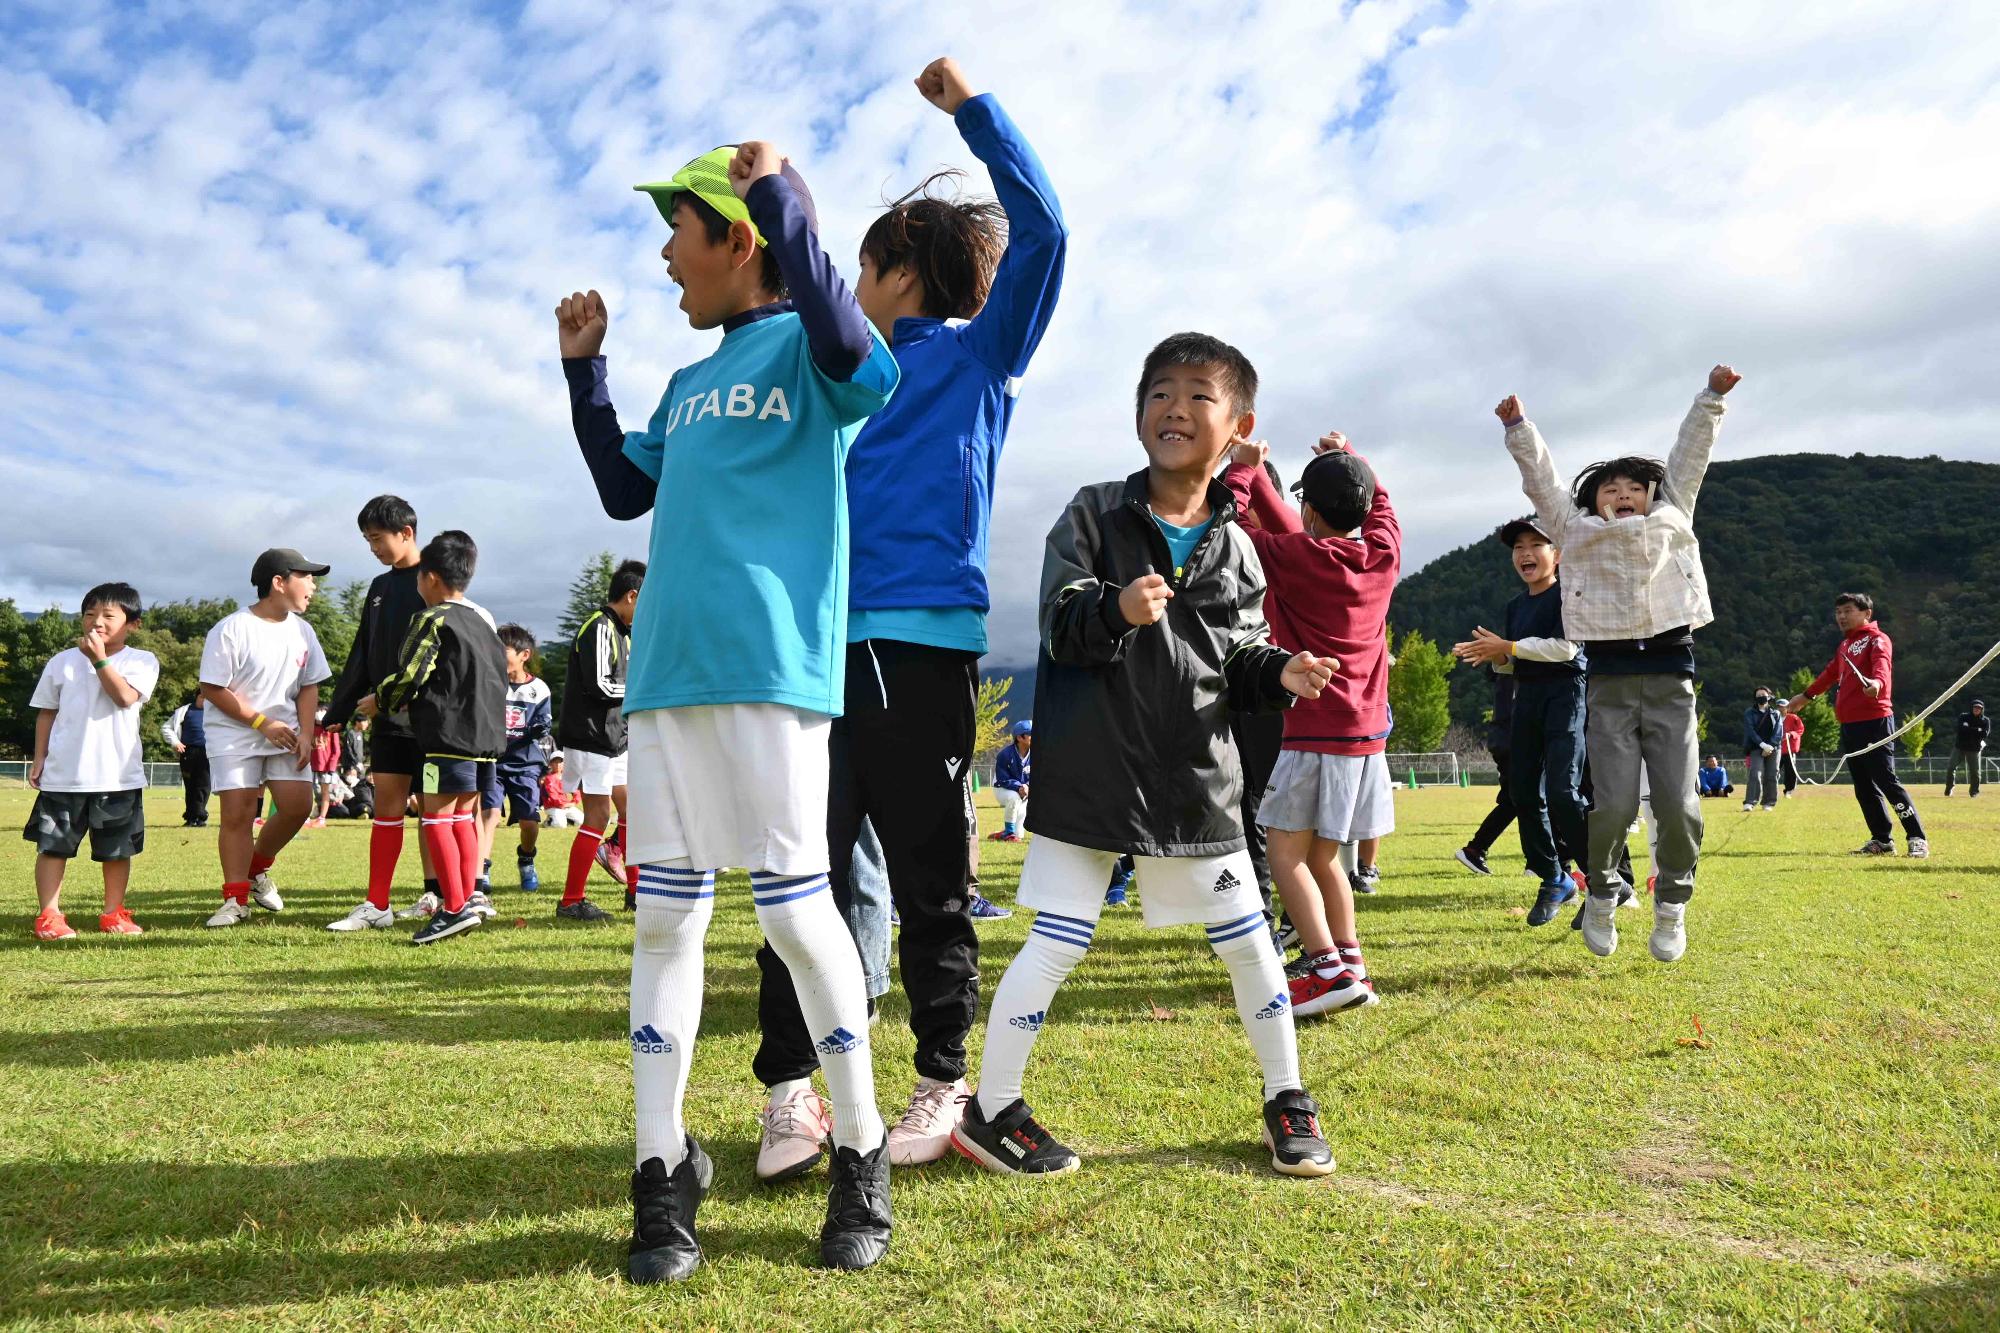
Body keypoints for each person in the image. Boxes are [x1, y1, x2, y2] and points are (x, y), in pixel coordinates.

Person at [557, 136, 900, 1278]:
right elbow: (622, 488)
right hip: (663, 682)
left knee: (797, 915)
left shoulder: (818, 355)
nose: (664, 258)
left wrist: (782, 197)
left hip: (771, 674)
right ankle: (661, 1169)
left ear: (737, 240)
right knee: (665, 919)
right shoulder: (687, 383)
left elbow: (857, 348)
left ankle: (858, 1152)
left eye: (679, 233)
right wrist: (584, 373)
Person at [745, 57, 1067, 1177]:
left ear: (896, 272)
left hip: (921, 654)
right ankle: (793, 1093)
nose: (846, 288)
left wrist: (973, 111)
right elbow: (789, 297)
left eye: (862, 268)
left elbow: (1047, 233)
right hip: (808, 659)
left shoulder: (980, 358)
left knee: (931, 883)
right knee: (799, 883)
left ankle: (941, 1079)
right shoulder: (837, 375)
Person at [953, 331, 1337, 1180]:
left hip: (1198, 777)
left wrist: (1284, 670)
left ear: (1237, 425)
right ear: (1138, 416)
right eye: (1160, 391)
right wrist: (1115, 607)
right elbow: (1056, 619)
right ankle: (991, 1110)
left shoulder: (1238, 546)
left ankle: (1288, 1097)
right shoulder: (1092, 512)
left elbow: (1236, 656)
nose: (1176, 406)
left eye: (1200, 393)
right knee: (1056, 940)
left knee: (1247, 943)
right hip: (1094, 772)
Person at [1498, 364, 1741, 964]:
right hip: (1606, 684)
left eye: (1634, 486)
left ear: (1653, 495)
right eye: (1611, 488)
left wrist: (1711, 398)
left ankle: (1672, 904)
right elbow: (1542, 483)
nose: (1624, 494)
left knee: (1679, 803)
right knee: (1609, 804)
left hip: (1669, 681)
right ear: (1592, 500)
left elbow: (1690, 455)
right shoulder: (1573, 530)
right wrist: (1518, 428)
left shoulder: (1673, 513)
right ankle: (1603, 892)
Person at [1224, 426, 1397, 1011]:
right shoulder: (1383, 554)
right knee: (1324, 857)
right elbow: (1380, 505)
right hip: (1366, 739)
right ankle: (1351, 964)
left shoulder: (1293, 558)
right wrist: (1349, 457)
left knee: (1284, 853)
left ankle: (1325, 971)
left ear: (1310, 508)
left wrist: (1245, 466)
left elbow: (1232, 523)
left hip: (1313, 731)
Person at [359, 531, 510, 943]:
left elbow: (410, 675)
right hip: (485, 743)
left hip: (446, 739)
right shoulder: (482, 622)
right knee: (464, 816)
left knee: (436, 818)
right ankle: (469, 898)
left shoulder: (432, 619)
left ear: (429, 578)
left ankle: (455, 908)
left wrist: (380, 700)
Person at [1453, 517, 1590, 926]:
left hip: (1565, 699)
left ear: (1558, 554)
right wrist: (1498, 656)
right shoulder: (1517, 606)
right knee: (1523, 793)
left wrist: (1508, 647)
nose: (1525, 554)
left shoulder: (1570, 596)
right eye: (1518, 548)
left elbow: (1566, 650)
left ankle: (1603, 879)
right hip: (1526, 702)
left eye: (1536, 544)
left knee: (1565, 792)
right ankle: (1554, 878)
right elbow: (1516, 664)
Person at [322, 496, 440, 926]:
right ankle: (378, 905)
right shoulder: (379, 588)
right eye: (367, 540)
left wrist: (395, 695)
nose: (372, 548)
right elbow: (364, 651)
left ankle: (439, 897)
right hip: (389, 720)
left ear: (406, 533)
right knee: (388, 810)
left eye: (377, 539)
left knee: (434, 812)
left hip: (432, 722)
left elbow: (442, 655)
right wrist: (339, 707)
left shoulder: (437, 579)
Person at [200, 549, 333, 928]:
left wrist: (306, 732)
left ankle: (256, 869)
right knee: (239, 815)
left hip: (287, 733)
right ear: (278, 582)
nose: (313, 586)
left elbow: (309, 686)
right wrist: (261, 723)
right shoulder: (232, 628)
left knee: (296, 806)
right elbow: (213, 687)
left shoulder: (303, 630)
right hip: (235, 731)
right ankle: (235, 899)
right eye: (306, 577)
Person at [24, 583, 160, 939]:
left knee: (116, 850)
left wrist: (98, 660)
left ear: (133, 624)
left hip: (117, 776)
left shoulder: (141, 661)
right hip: (63, 775)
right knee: (53, 847)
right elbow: (46, 713)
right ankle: (49, 915)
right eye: (89, 614)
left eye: (108, 616)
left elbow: (125, 697)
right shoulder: (61, 662)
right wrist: (39, 758)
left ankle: (114, 913)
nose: (96, 622)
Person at [1786, 592, 1928, 857]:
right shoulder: (1844, 647)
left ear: (1866, 614)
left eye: (1848, 610)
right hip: (1850, 725)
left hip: (1876, 721)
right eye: (1838, 611)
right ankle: (1882, 840)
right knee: (1863, 787)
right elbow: (1829, 674)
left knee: (1886, 780)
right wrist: (1805, 697)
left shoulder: (1878, 639)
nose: (1841, 616)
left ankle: (1916, 837)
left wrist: (1877, 684)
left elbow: (1881, 667)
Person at [553, 562, 641, 922]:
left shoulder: (625, 632)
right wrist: (641, 694)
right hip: (591, 738)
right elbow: (600, 684)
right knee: (598, 815)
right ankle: (571, 899)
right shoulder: (600, 626)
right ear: (631, 595)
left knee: (632, 809)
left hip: (615, 738)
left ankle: (636, 893)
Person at [487, 624, 555, 890]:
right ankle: (482, 871)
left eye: (502, 650)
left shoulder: (540, 689)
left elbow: (544, 723)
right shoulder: (491, 683)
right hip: (493, 762)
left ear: (524, 655)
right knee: (489, 814)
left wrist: (539, 728)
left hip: (526, 764)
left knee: (529, 820)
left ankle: (526, 860)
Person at [1456, 672, 1517, 875]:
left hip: (1504, 738)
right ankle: (1476, 848)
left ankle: (1476, 848)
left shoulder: (1507, 674)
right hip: (1513, 739)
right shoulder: (1519, 674)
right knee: (1520, 799)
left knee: (1518, 800)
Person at [162, 692, 210, 828]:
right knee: (190, 786)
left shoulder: (214, 712)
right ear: (198, 696)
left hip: (207, 752)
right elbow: (166, 727)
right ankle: (190, 818)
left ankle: (199, 816)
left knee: (204, 785)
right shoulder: (184, 711)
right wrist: (175, 742)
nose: (207, 701)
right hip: (188, 752)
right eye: (204, 697)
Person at [1741, 687, 1782, 811]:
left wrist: (1770, 746)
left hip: (1773, 748)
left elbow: (1778, 732)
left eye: (1763, 695)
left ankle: (1768, 803)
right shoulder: (1749, 712)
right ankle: (1750, 802)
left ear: (1769, 696)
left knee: (1772, 774)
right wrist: (1762, 745)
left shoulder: (1776, 713)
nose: (1761, 697)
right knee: (1755, 773)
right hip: (1756, 747)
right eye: (1758, 695)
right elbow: (1750, 731)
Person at [991, 720, 1031, 841]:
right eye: (1030, 733)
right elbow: (1003, 779)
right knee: (1014, 797)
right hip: (1002, 788)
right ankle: (1008, 833)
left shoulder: (1037, 754)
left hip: (1024, 791)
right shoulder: (1005, 754)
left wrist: (1027, 786)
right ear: (1019, 737)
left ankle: (1003, 833)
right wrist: (1019, 787)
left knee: (1019, 835)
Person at [1944, 700, 1987, 796]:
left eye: (1979, 708)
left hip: (1974, 749)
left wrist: (1968, 729)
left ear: (1982, 709)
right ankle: (1949, 788)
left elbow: (1984, 734)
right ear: (1972, 708)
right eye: (1975, 707)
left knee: (1975, 772)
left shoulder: (1985, 720)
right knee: (1951, 767)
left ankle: (1974, 792)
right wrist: (1977, 730)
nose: (1977, 709)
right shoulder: (1963, 716)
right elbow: (1960, 730)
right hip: (1960, 747)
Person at [308, 711, 343, 826]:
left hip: (326, 767)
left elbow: (336, 750)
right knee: (308, 791)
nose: (319, 713)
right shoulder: (310, 727)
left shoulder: (332, 729)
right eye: (317, 710)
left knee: (325, 792)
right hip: (311, 765)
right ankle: (306, 817)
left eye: (323, 710)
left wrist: (331, 766)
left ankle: (322, 818)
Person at [541, 756, 583, 826]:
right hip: (552, 806)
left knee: (582, 821)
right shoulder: (549, 778)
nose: (558, 765)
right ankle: (548, 822)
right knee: (560, 825)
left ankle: (567, 819)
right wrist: (562, 804)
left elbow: (576, 790)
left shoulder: (566, 777)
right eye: (555, 762)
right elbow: (553, 795)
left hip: (566, 805)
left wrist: (574, 802)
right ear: (550, 764)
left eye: (560, 762)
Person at [1780, 708, 1805, 796]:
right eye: (1779, 706)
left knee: (1790, 771)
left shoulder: (1794, 718)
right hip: (1776, 750)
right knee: (1772, 771)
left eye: (1783, 707)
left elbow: (1800, 730)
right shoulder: (1775, 717)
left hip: (1789, 750)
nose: (1780, 708)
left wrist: (1791, 734)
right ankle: (1769, 790)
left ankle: (1789, 790)